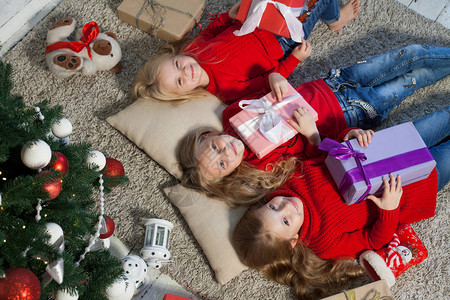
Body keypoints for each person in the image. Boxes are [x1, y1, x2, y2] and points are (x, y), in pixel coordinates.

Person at [177, 44, 450, 206]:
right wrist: (312, 134)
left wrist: (276, 79)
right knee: (412, 79)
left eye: (215, 145)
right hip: (351, 114)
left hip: (332, 82)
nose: (226, 151)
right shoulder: (262, 166)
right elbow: (319, 159)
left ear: (210, 134)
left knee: (409, 54)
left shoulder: (232, 114)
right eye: (222, 164)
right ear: (229, 176)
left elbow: (264, 82)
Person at [232, 107, 449, 299]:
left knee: (441, 118)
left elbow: (327, 152)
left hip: (389, 147)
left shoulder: (290, 182)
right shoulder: (325, 243)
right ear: (293, 242)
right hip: (414, 186)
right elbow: (374, 240)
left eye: (273, 206)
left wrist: (349, 135)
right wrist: (389, 210)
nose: (287, 206)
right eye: (286, 221)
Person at [132, 0, 361, 104]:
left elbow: (210, 31)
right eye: (181, 81)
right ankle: (336, 19)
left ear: (175, 55)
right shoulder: (225, 89)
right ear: (186, 93)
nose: (187, 70)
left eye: (176, 64)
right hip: (283, 40)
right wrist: (294, 60)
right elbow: (266, 81)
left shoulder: (192, 50)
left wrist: (228, 16)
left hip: (254, 19)